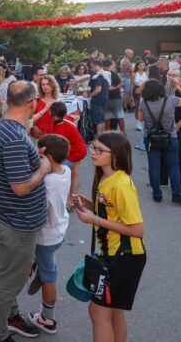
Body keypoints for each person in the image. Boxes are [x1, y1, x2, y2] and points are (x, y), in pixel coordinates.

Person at [0, 80, 52, 342]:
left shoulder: (5, 126)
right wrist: (43, 168)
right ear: (31, 102)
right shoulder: (13, 135)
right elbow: (21, 187)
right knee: (10, 279)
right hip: (17, 220)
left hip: (9, 216)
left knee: (10, 272)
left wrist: (34, 156)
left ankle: (9, 317)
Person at [71, 132, 146, 342]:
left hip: (124, 256)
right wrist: (88, 203)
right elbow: (110, 210)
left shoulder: (122, 184)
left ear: (115, 155)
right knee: (113, 312)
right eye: (93, 148)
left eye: (99, 150)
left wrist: (94, 219)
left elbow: (137, 229)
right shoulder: (106, 176)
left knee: (98, 312)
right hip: (114, 254)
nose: (93, 152)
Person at [26, 134, 71, 335]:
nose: (36, 155)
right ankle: (37, 264)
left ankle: (48, 319)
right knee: (48, 266)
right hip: (60, 229)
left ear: (48, 156)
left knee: (49, 276)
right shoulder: (66, 170)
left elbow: (38, 210)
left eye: (39, 152)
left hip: (46, 236)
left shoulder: (48, 182)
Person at [136, 79, 181, 205]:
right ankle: (177, 194)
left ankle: (157, 194)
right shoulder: (171, 100)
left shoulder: (143, 103)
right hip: (170, 137)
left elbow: (140, 118)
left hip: (151, 138)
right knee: (173, 166)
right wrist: (178, 87)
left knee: (153, 166)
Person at [160, 69, 181, 192]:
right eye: (169, 74)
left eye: (175, 75)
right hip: (163, 128)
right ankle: (163, 180)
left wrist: (178, 125)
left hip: (178, 130)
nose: (171, 77)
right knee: (163, 152)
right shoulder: (163, 90)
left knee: (179, 156)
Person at [50, 102, 86, 202]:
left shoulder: (59, 127)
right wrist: (74, 128)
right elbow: (77, 117)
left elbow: (61, 146)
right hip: (80, 148)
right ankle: (73, 199)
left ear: (53, 113)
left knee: (62, 174)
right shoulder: (67, 118)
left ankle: (67, 201)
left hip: (74, 152)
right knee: (75, 173)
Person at [103, 60, 125, 133]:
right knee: (119, 116)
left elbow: (120, 83)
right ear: (110, 66)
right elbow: (121, 83)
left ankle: (108, 133)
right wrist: (114, 88)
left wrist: (113, 88)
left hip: (110, 97)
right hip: (114, 97)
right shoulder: (111, 73)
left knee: (108, 117)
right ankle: (123, 133)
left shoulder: (111, 73)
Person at [88, 61, 110, 135]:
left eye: (92, 66)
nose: (92, 68)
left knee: (98, 121)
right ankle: (102, 137)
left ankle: (98, 138)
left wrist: (90, 95)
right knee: (102, 119)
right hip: (104, 99)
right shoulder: (106, 74)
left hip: (97, 100)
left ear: (96, 66)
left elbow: (98, 89)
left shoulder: (99, 75)